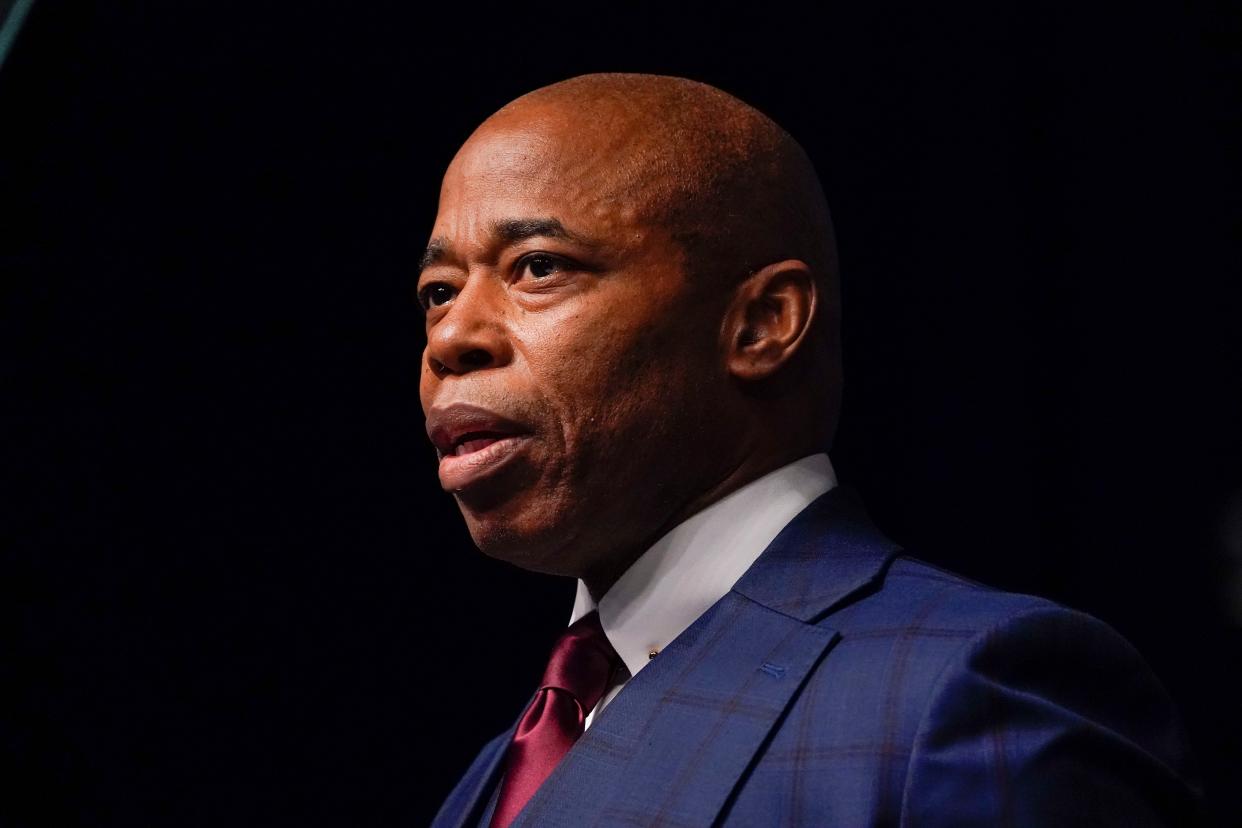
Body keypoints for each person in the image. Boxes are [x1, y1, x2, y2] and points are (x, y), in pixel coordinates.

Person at [418, 73, 1202, 827]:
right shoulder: (505, 766)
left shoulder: (970, 693)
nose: (451, 337)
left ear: (761, 326)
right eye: (440, 291)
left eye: (539, 268)